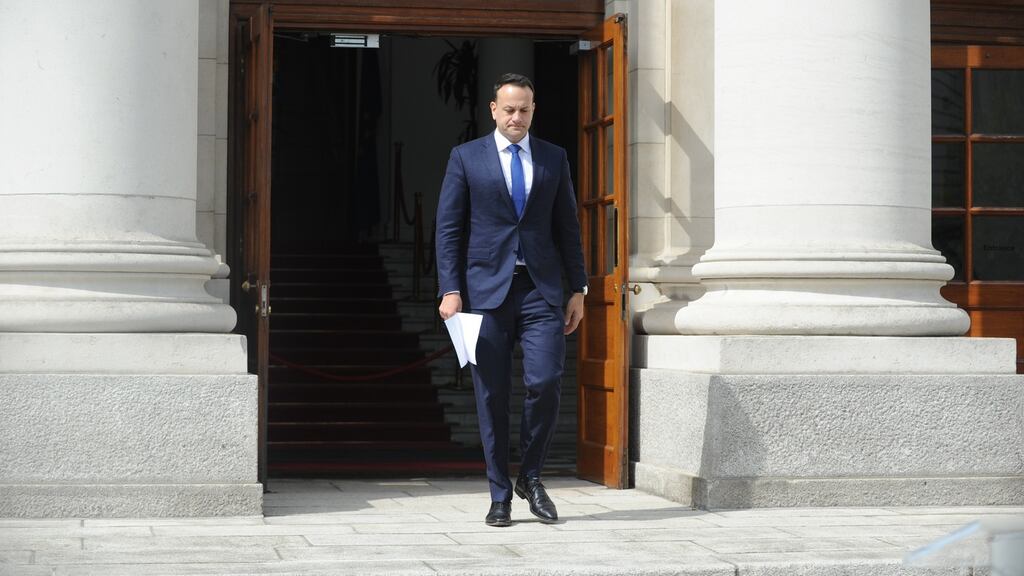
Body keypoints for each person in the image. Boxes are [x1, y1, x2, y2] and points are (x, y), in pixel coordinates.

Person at [435, 73, 587, 527]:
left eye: (524, 109)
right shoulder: (466, 158)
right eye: (509, 109)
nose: (516, 116)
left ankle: (532, 478)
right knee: (492, 395)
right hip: (484, 294)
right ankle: (499, 493)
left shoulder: (553, 158)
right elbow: (448, 229)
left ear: (533, 110)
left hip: (541, 291)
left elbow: (568, 228)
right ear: (493, 110)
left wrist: (578, 288)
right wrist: (450, 288)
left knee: (545, 382)